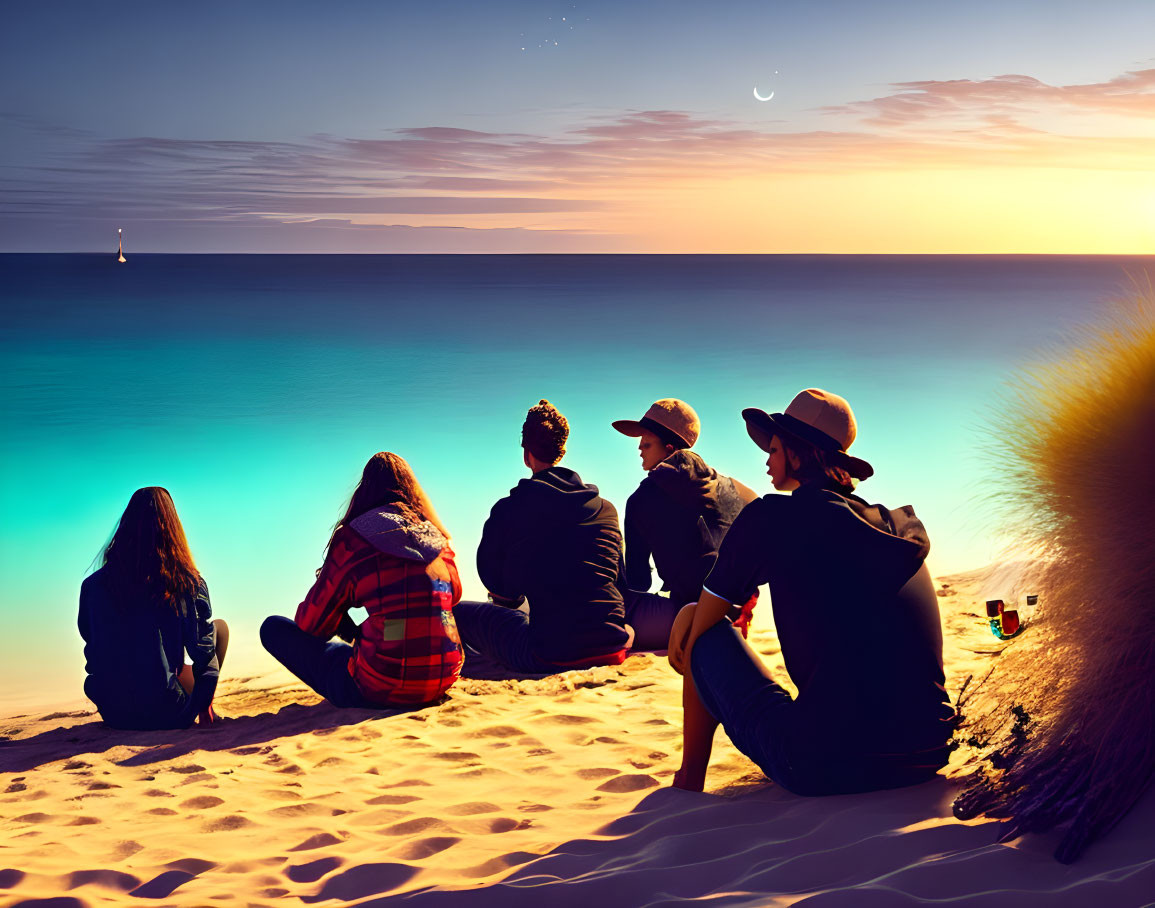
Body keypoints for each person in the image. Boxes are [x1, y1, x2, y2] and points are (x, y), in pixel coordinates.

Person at [669, 389, 956, 794]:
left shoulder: (771, 518)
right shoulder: (896, 527)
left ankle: (687, 781)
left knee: (691, 619)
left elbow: (708, 620)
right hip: (927, 753)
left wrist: (691, 636)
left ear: (798, 454)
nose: (767, 459)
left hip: (826, 763)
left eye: (773, 447)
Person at [261, 452, 463, 708]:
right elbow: (454, 593)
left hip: (380, 686)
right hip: (443, 679)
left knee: (272, 628)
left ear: (365, 491)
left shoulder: (354, 538)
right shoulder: (433, 534)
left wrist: (343, 601)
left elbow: (312, 625)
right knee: (400, 623)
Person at [454, 399, 632, 676]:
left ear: (526, 454)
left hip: (551, 654)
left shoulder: (509, 510)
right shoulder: (606, 510)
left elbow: (501, 592)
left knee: (456, 613)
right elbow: (618, 579)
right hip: (612, 645)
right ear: (562, 451)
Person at [612, 398, 759, 649]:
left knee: (613, 601)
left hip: (684, 618)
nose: (639, 448)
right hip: (733, 616)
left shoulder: (640, 499)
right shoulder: (737, 489)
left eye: (646, 442)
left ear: (669, 448)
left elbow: (639, 582)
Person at [79, 487, 227, 729]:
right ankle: (206, 707)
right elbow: (204, 653)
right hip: (169, 712)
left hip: (115, 715)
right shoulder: (186, 582)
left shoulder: (92, 586)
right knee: (220, 629)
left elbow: (92, 644)